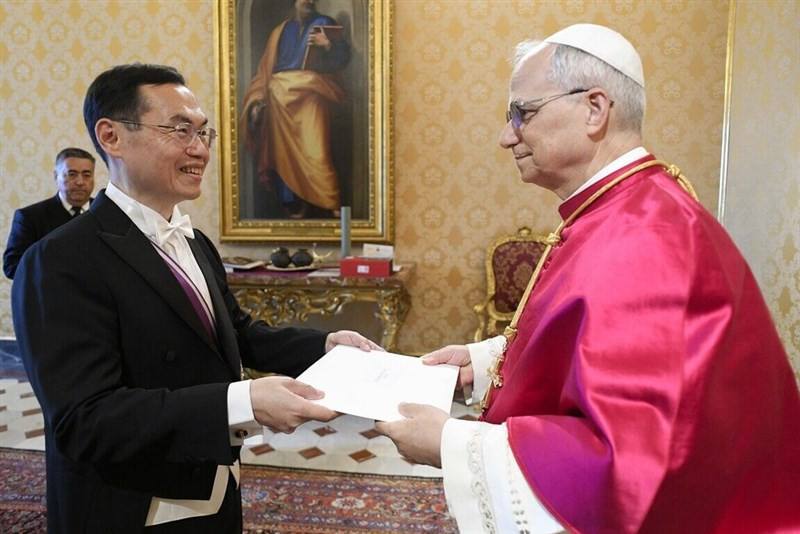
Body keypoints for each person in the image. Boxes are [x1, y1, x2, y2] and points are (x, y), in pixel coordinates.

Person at [377, 24, 800, 533]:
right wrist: (482, 362)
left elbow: (631, 463)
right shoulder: (621, 209)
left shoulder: (647, 235)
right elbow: (591, 346)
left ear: (595, 109)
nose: (506, 135)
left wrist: (452, 442)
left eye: (522, 113)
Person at [11, 63, 379, 533]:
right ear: (112, 136)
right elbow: (85, 421)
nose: (199, 149)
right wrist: (240, 402)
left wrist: (323, 347)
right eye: (179, 130)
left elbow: (236, 333)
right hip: (128, 504)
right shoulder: (58, 260)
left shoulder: (194, 241)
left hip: (210, 480)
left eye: (204, 132)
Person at [241, 0, 350, 219]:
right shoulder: (280, 32)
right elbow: (264, 73)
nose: (308, 1)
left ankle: (330, 201)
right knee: (283, 154)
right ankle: (291, 202)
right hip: (279, 99)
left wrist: (326, 44)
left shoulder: (324, 24)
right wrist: (256, 102)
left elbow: (343, 59)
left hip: (311, 96)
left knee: (316, 151)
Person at [3, 147, 95, 279]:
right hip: (49, 296)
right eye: (72, 174)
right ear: (56, 176)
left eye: (86, 175)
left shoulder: (108, 213)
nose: (80, 182)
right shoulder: (30, 217)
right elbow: (12, 267)